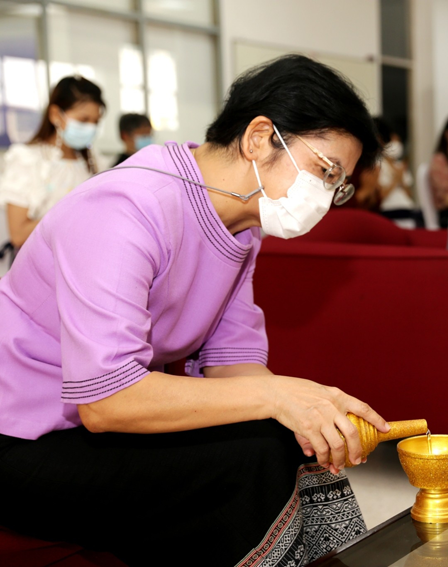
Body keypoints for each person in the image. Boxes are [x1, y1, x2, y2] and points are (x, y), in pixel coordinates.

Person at [0, 55, 388, 566]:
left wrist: (306, 409)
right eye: (324, 170)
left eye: (337, 185)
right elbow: (107, 401)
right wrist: (277, 394)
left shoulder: (241, 228)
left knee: (283, 440)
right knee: (253, 460)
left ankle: (326, 559)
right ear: (258, 137)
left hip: (95, 433)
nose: (326, 195)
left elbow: (232, 362)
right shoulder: (125, 208)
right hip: (24, 441)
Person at [0, 75, 104, 253]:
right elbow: (18, 234)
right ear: (56, 115)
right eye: (83, 120)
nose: (91, 128)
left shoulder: (94, 162)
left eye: (96, 122)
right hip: (40, 268)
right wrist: (71, 214)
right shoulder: (26, 160)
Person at [374, 117, 417, 228]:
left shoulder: (400, 166)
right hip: (389, 211)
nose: (396, 144)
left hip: (406, 210)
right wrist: (396, 179)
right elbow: (381, 195)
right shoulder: (378, 165)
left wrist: (401, 178)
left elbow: (409, 193)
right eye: (393, 141)